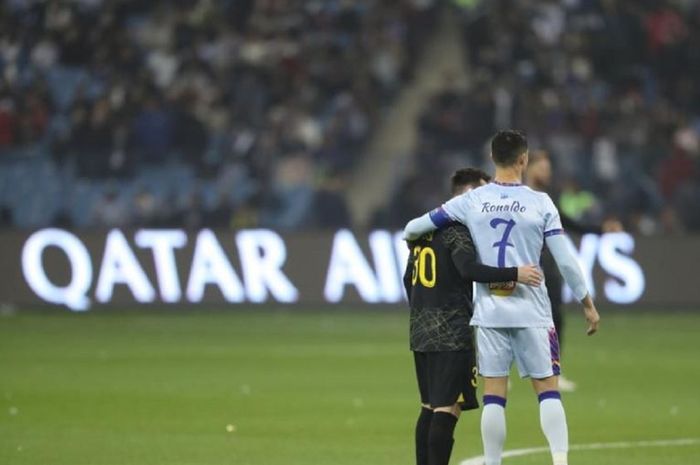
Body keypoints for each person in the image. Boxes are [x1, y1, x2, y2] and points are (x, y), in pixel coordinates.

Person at [403, 130, 600, 465]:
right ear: (524, 159)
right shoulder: (540, 203)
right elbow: (565, 258)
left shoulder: (470, 202)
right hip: (533, 312)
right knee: (547, 390)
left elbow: (414, 226)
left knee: (494, 397)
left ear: (492, 159)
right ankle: (561, 462)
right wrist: (586, 303)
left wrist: (412, 239)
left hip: (490, 313)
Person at [405, 167, 543, 465]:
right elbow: (468, 269)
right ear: (469, 194)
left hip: (420, 330)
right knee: (447, 409)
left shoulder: (424, 231)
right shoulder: (458, 230)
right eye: (483, 192)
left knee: (428, 406)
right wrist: (515, 273)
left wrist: (422, 311)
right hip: (451, 333)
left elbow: (408, 280)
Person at [526, 150, 621, 391]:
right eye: (543, 168)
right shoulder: (517, 195)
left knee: (555, 317)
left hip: (545, 263)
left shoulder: (547, 197)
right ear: (528, 167)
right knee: (514, 317)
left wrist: (600, 229)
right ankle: (503, 372)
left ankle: (552, 370)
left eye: (549, 169)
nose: (547, 173)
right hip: (520, 265)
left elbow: (569, 223)